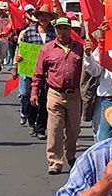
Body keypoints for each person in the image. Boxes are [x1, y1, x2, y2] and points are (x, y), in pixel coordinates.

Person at [31, 17, 84, 174]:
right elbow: (38, 73)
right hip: (54, 93)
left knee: (74, 129)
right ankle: (55, 161)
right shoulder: (47, 49)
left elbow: (89, 69)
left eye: (66, 28)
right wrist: (34, 92)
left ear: (70, 30)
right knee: (54, 129)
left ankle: (71, 155)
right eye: (59, 28)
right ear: (55, 31)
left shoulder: (79, 48)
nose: (63, 31)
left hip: (74, 95)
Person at [11, 4, 56, 139]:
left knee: (45, 100)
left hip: (49, 72)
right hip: (31, 71)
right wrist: (15, 64)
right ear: (38, 17)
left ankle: (41, 128)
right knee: (30, 96)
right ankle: (31, 121)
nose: (44, 18)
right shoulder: (28, 32)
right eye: (42, 16)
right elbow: (20, 49)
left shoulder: (54, 33)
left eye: (47, 16)